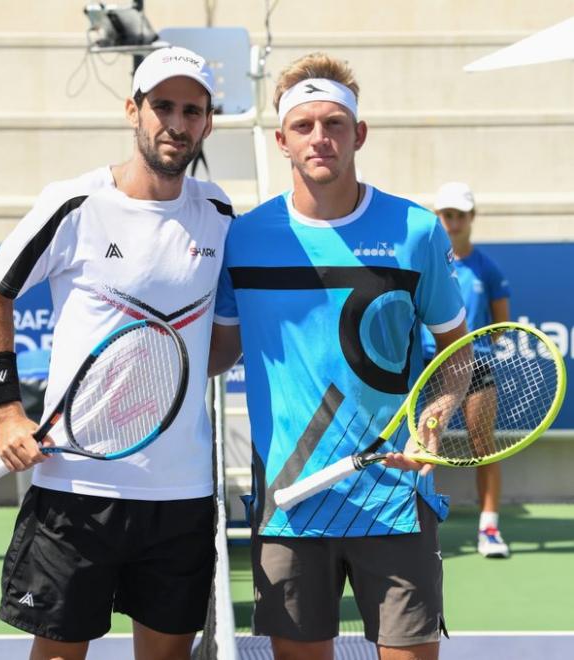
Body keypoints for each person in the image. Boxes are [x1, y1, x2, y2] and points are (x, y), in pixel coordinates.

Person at [0, 46, 233, 660]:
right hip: (75, 488)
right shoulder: (75, 203)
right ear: (132, 111)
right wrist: (7, 413)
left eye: (192, 110)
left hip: (180, 492)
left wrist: (169, 379)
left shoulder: (219, 212)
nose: (176, 122)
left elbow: (210, 350)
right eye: (161, 106)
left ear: (208, 123)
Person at [209, 52, 468, 660]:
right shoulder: (244, 239)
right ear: (281, 140)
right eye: (304, 126)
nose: (319, 138)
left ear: (360, 133)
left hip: (396, 498)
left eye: (334, 124)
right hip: (290, 506)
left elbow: (456, 354)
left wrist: (435, 420)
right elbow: (218, 353)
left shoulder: (417, 230)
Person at [425, 181, 511, 558]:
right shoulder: (427, 261)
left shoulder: (487, 269)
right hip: (429, 366)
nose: (453, 222)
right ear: (438, 218)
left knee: (483, 446)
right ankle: (421, 527)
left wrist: (468, 346)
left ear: (472, 218)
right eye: (447, 215)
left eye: (460, 215)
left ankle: (489, 529)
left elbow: (501, 325)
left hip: (476, 366)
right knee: (423, 445)